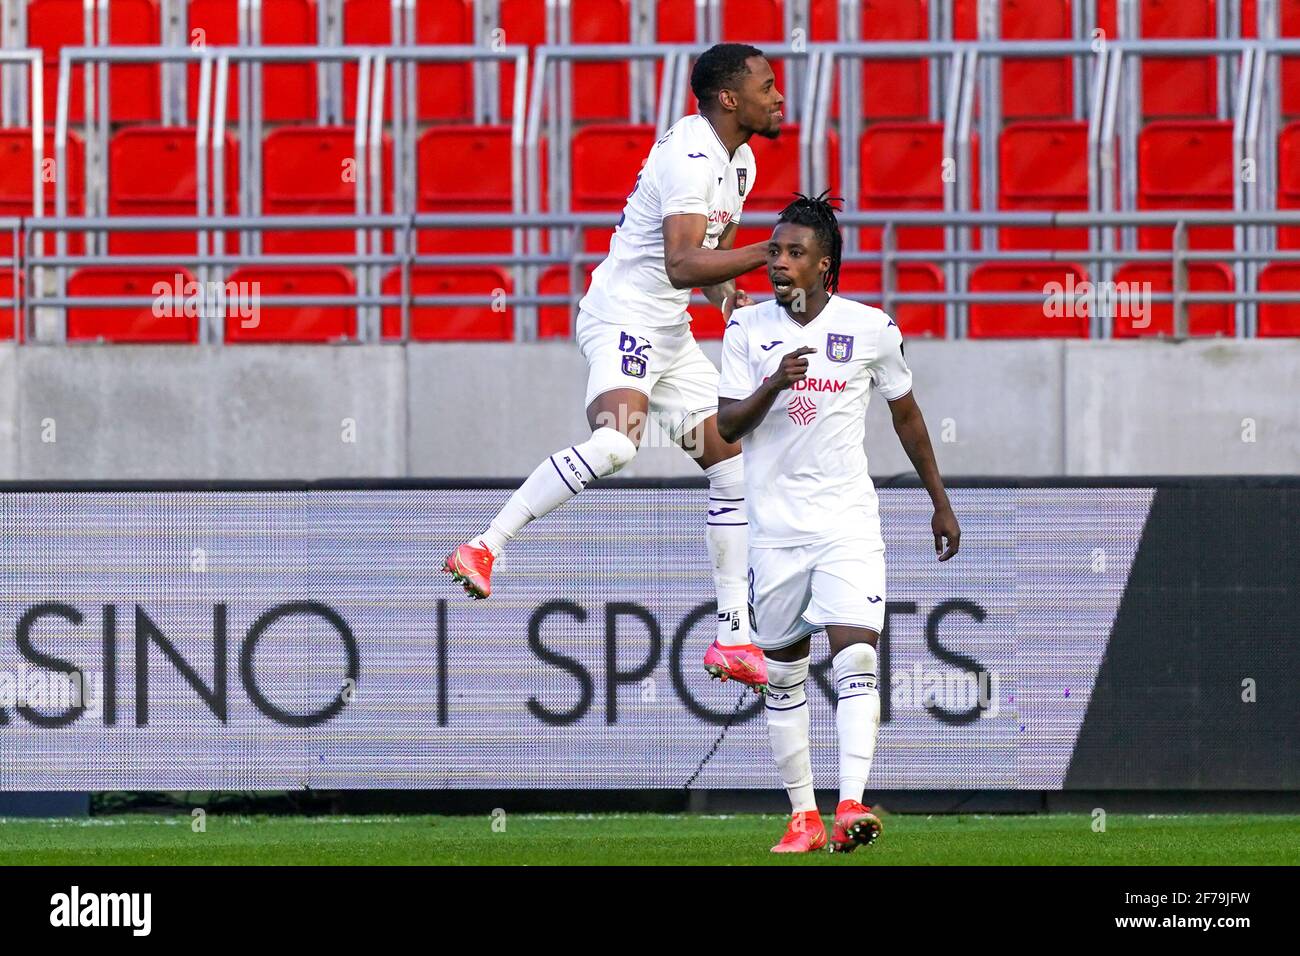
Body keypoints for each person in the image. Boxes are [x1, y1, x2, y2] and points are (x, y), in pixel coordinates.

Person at [444, 44, 786, 692]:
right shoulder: (690, 155)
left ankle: (734, 639)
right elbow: (684, 262)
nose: (778, 98)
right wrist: (771, 251)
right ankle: (487, 544)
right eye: (767, 86)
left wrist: (731, 297)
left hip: (669, 331)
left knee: (732, 466)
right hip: (624, 317)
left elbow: (707, 263)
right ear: (728, 98)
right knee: (615, 446)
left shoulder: (738, 160)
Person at [716, 193, 960, 852]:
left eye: (795, 254)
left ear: (825, 267)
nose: (779, 265)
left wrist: (938, 499)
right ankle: (803, 816)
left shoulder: (871, 330)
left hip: (847, 524)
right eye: (775, 252)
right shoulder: (745, 332)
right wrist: (773, 383)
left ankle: (851, 802)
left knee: (855, 650)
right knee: (784, 674)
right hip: (775, 532)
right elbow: (728, 427)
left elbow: (906, 414)